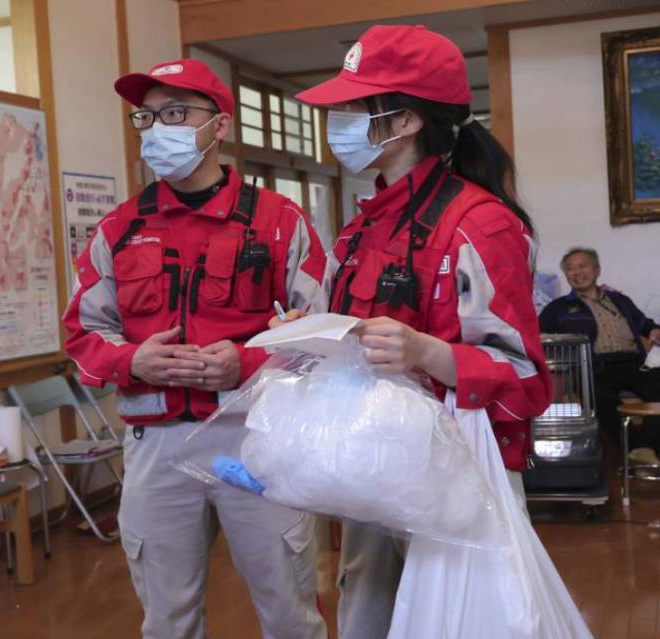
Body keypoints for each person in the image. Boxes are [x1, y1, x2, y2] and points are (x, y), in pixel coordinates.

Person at [284, 25, 552, 639]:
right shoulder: (361, 228)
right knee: (365, 621)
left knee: (463, 624)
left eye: (352, 108)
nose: (339, 122)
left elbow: (529, 380)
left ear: (403, 121)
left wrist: (427, 352)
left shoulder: (479, 224)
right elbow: (353, 341)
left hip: (461, 477)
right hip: (370, 466)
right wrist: (310, 336)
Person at [64, 59, 328, 639]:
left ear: (220, 127)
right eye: (148, 116)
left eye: (177, 113)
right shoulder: (118, 228)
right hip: (154, 444)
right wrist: (132, 360)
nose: (159, 128)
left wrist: (248, 362)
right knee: (167, 619)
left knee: (289, 612)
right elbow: (82, 337)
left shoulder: (280, 222)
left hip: (256, 440)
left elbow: (323, 337)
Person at [540, 247, 660, 455]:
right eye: (570, 269)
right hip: (594, 368)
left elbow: (645, 324)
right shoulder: (558, 308)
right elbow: (536, 336)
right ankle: (637, 449)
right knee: (599, 397)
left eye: (582, 266)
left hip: (634, 364)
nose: (576, 272)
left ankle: (651, 446)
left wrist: (654, 330)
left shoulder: (620, 300)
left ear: (596, 270)